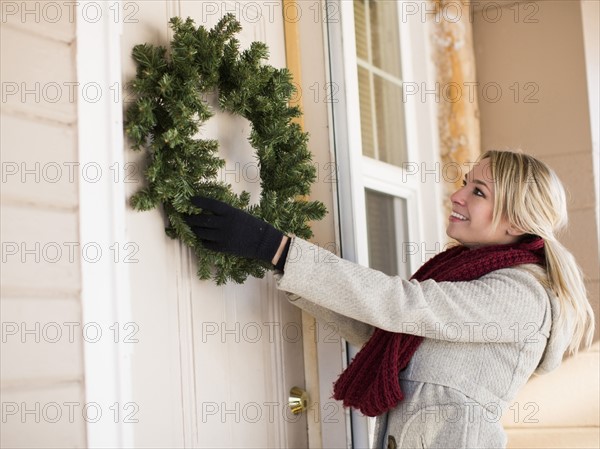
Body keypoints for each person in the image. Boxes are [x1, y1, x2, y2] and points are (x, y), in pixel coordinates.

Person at [185, 149, 595, 449]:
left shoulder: (522, 295)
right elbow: (383, 328)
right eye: (465, 183)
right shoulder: (469, 271)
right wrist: (282, 262)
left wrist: (277, 247)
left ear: (517, 220)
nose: (457, 195)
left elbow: (404, 306)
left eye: (479, 192)